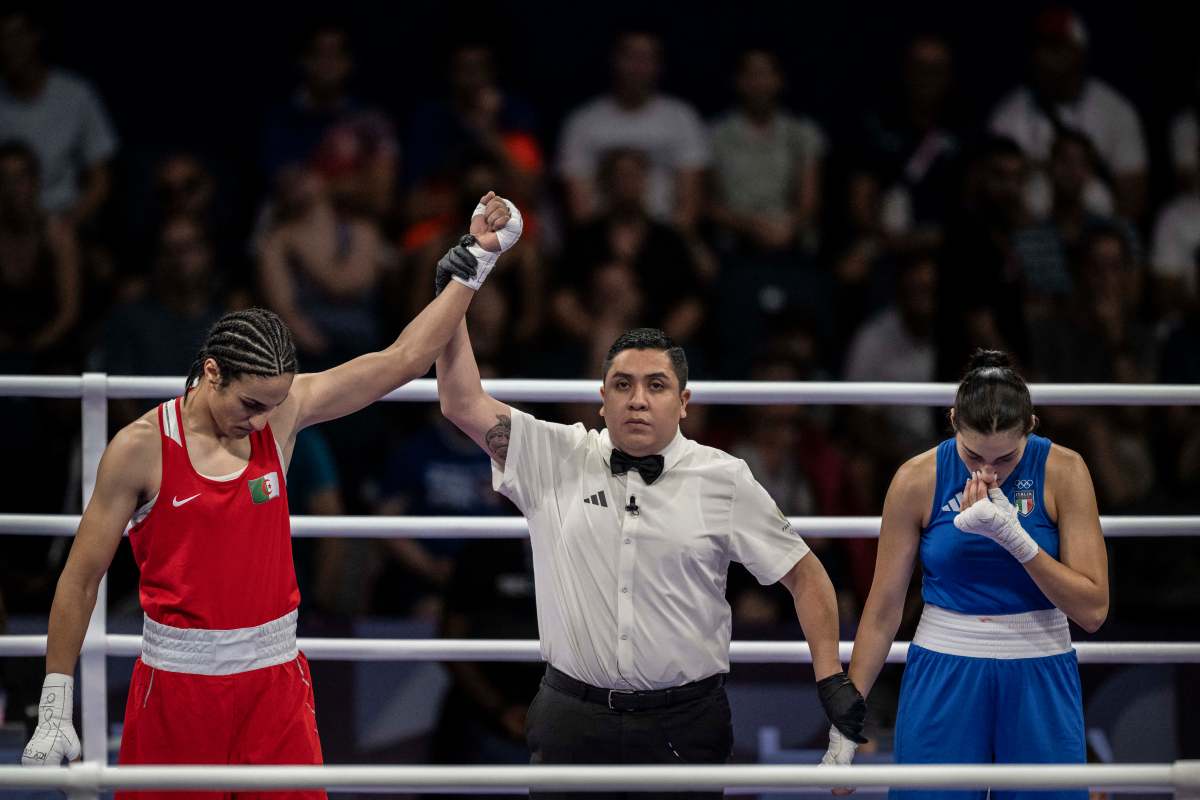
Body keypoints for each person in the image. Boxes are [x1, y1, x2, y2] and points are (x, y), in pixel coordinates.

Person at [20, 192, 522, 791]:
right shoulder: (139, 448)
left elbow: (403, 358)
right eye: (250, 404)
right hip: (177, 688)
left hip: (273, 681)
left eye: (275, 405)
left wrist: (474, 263)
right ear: (211, 372)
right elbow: (79, 578)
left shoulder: (283, 415)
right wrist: (54, 700)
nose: (262, 422)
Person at [431, 271, 866, 799]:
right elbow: (459, 401)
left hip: (684, 723)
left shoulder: (722, 478)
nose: (638, 399)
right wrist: (456, 289)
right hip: (572, 718)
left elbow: (806, 575)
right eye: (623, 384)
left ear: (683, 402)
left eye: (655, 385)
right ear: (602, 399)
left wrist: (830, 680)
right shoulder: (556, 454)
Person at [826, 349, 1109, 800]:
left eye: (1006, 459)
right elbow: (882, 610)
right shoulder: (916, 479)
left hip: (1040, 668)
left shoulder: (1064, 471)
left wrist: (1016, 540)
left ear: (1031, 426)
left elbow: (1093, 610)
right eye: (974, 454)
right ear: (953, 419)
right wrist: (847, 720)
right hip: (944, 669)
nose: (988, 472)